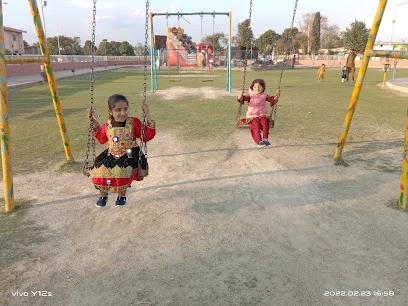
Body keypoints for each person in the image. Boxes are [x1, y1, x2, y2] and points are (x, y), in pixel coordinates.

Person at [87, 94, 156, 207]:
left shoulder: (134, 122)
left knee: (121, 171)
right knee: (101, 171)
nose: (123, 113)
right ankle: (103, 196)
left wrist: (147, 114)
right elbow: (101, 138)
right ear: (111, 111)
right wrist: (93, 121)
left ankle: (121, 195)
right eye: (118, 110)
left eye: (125, 109)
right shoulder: (108, 125)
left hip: (129, 154)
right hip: (112, 153)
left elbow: (146, 136)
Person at [237, 79, 280, 147]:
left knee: (265, 124)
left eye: (259, 86)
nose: (257, 88)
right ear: (252, 88)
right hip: (252, 116)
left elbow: (272, 99)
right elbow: (243, 98)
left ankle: (266, 139)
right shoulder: (250, 96)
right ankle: (259, 141)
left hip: (262, 115)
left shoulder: (265, 96)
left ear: (263, 88)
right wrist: (240, 97)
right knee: (255, 126)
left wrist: (276, 97)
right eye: (255, 87)